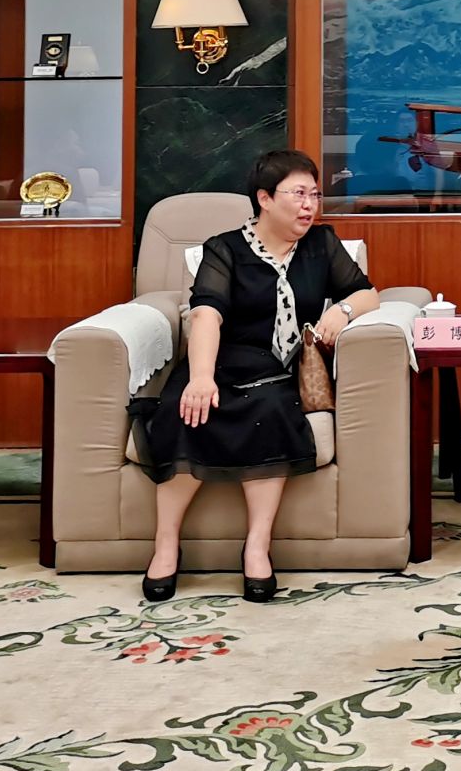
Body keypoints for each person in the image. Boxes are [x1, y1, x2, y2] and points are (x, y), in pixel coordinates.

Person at [140, 150, 377, 602]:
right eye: (298, 194)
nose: (309, 205)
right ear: (265, 198)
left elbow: (367, 293)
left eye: (315, 195)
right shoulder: (225, 248)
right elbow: (206, 313)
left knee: (270, 410)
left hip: (277, 370)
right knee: (186, 412)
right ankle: (166, 545)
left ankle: (257, 547)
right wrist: (201, 377)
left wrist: (343, 311)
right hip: (223, 360)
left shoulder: (321, 245)